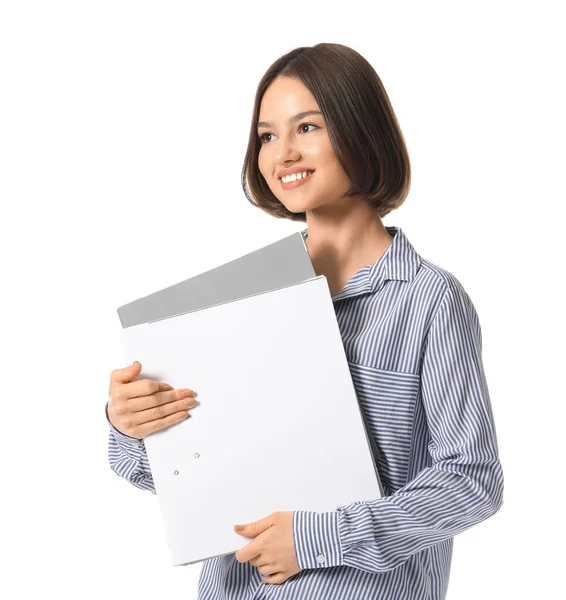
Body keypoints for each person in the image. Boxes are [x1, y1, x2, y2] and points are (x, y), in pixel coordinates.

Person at [106, 42, 504, 600]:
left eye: (308, 127)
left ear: (360, 130)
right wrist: (132, 424)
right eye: (267, 136)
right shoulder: (244, 297)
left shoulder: (429, 301)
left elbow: (472, 483)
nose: (283, 153)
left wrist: (319, 538)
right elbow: (196, 485)